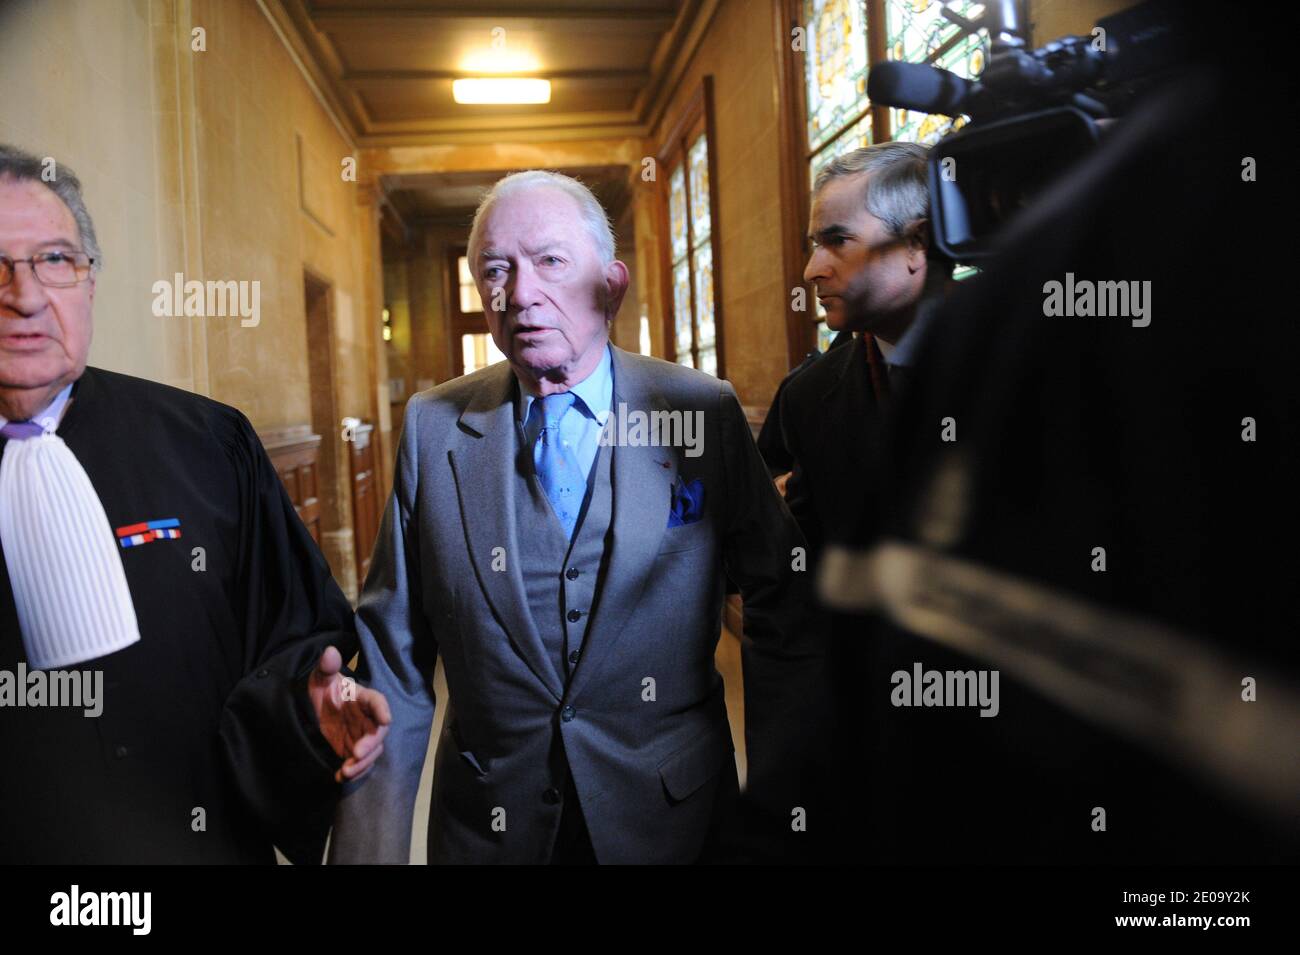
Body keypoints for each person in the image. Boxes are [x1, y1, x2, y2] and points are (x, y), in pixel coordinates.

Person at [329, 170, 807, 864]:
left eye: (550, 261)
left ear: (611, 285)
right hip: (491, 830)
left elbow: (784, 607)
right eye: (496, 271)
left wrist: (785, 805)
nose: (521, 293)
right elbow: (393, 659)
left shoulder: (700, 412)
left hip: (673, 823)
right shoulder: (433, 429)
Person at [0, 144, 390, 864]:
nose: (23, 295)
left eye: (54, 260)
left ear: (89, 282)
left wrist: (309, 709)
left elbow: (290, 637)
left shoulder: (210, 443)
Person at [742, 142, 953, 862]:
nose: (810, 270)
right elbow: (788, 599)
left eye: (836, 241)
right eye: (812, 245)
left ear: (916, 245)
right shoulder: (808, 397)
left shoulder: (1031, 362)